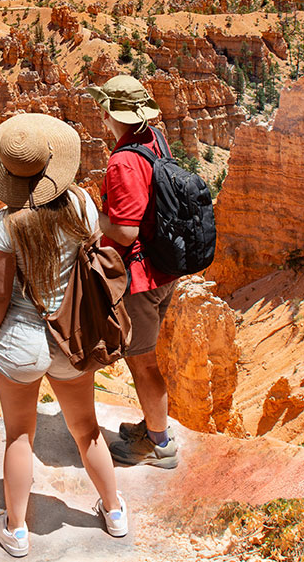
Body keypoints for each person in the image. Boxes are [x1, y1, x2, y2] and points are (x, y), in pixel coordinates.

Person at [0, 112, 128, 557]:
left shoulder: (8, 224)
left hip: (20, 343)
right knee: (87, 430)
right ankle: (115, 511)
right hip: (72, 336)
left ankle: (17, 531)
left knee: (19, 436)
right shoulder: (81, 205)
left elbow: (0, 296)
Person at [86, 75, 181, 469]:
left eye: (104, 110)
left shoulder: (123, 161)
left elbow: (124, 232)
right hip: (165, 265)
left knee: (142, 362)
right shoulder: (155, 139)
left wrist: (95, 219)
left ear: (112, 113)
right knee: (145, 358)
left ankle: (160, 445)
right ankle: (152, 426)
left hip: (140, 278)